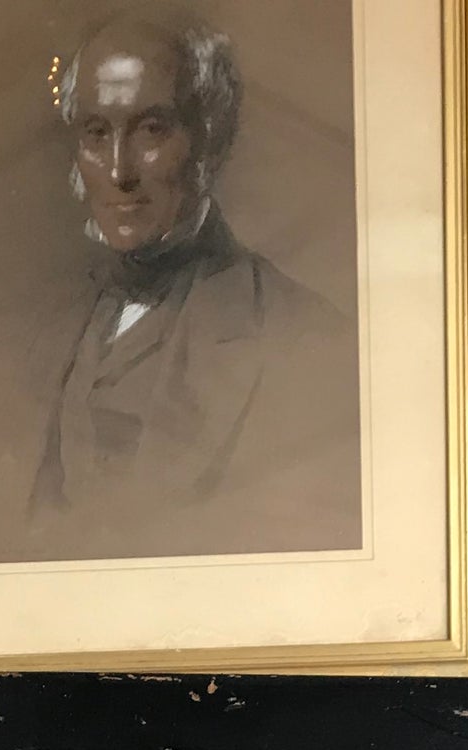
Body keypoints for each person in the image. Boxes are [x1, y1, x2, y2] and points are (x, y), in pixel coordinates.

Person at [25, 15, 362, 559]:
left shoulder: (303, 338)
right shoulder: (48, 335)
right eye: (95, 133)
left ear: (210, 141)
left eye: (151, 130)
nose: (118, 171)